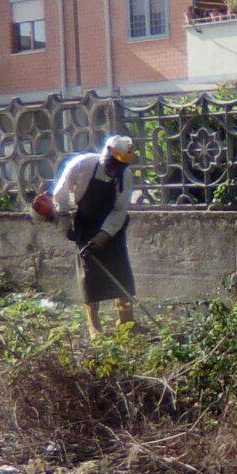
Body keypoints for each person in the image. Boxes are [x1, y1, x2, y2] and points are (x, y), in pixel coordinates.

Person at [51, 135, 138, 337]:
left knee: (121, 273)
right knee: (90, 277)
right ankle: (94, 328)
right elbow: (60, 194)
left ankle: (127, 323)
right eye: (114, 163)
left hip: (111, 228)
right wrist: (65, 221)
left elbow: (119, 210)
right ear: (106, 153)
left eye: (120, 166)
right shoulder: (82, 165)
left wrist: (105, 235)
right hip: (85, 223)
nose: (116, 169)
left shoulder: (125, 176)